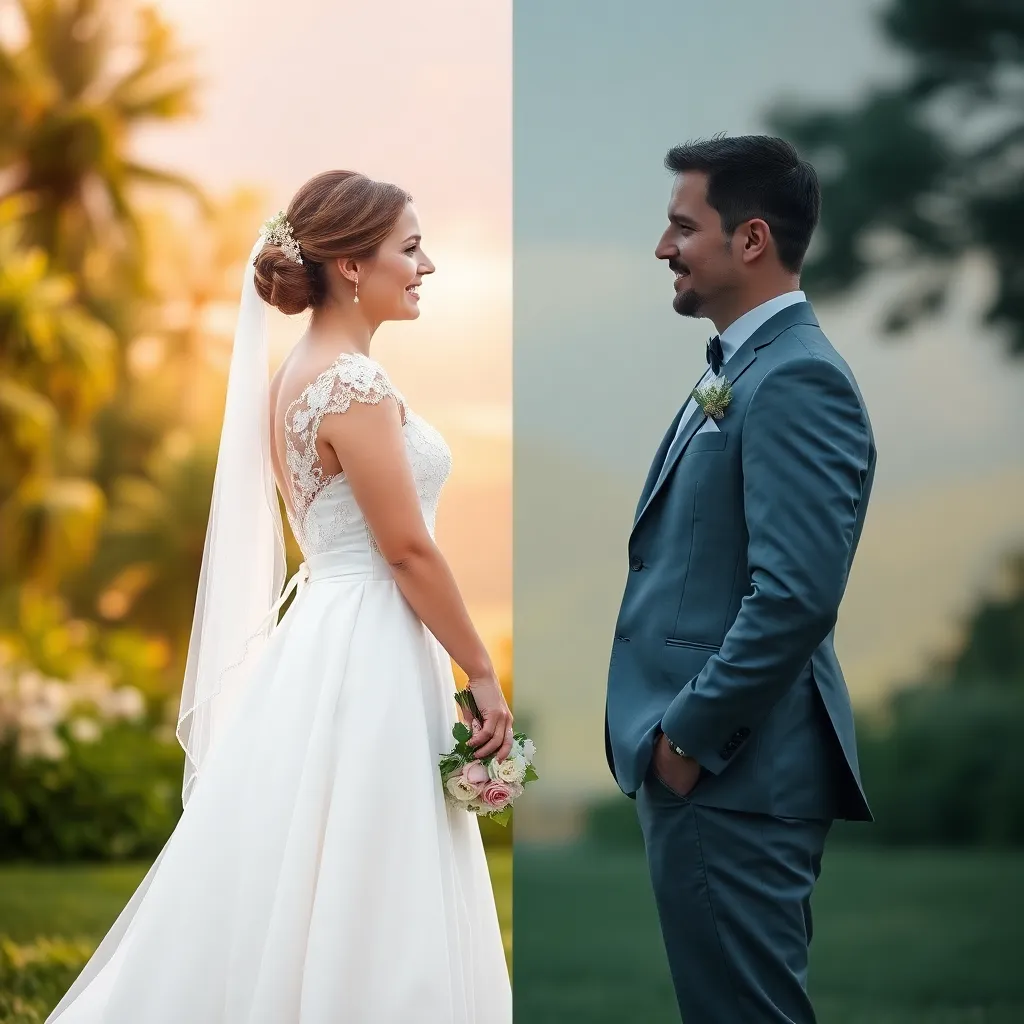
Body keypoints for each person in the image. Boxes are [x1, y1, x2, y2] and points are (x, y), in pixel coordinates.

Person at [47, 169, 513, 1024]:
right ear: (348, 265)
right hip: (371, 634)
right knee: (371, 860)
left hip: (325, 637)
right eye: (410, 249)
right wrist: (480, 670)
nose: (428, 267)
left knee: (302, 858)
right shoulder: (353, 386)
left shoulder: (294, 376)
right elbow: (406, 549)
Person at [604, 136, 876, 1024]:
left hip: (734, 774)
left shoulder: (796, 379)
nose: (663, 248)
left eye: (683, 227)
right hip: (718, 778)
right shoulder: (738, 368)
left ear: (751, 239)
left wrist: (685, 740)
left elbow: (795, 596)